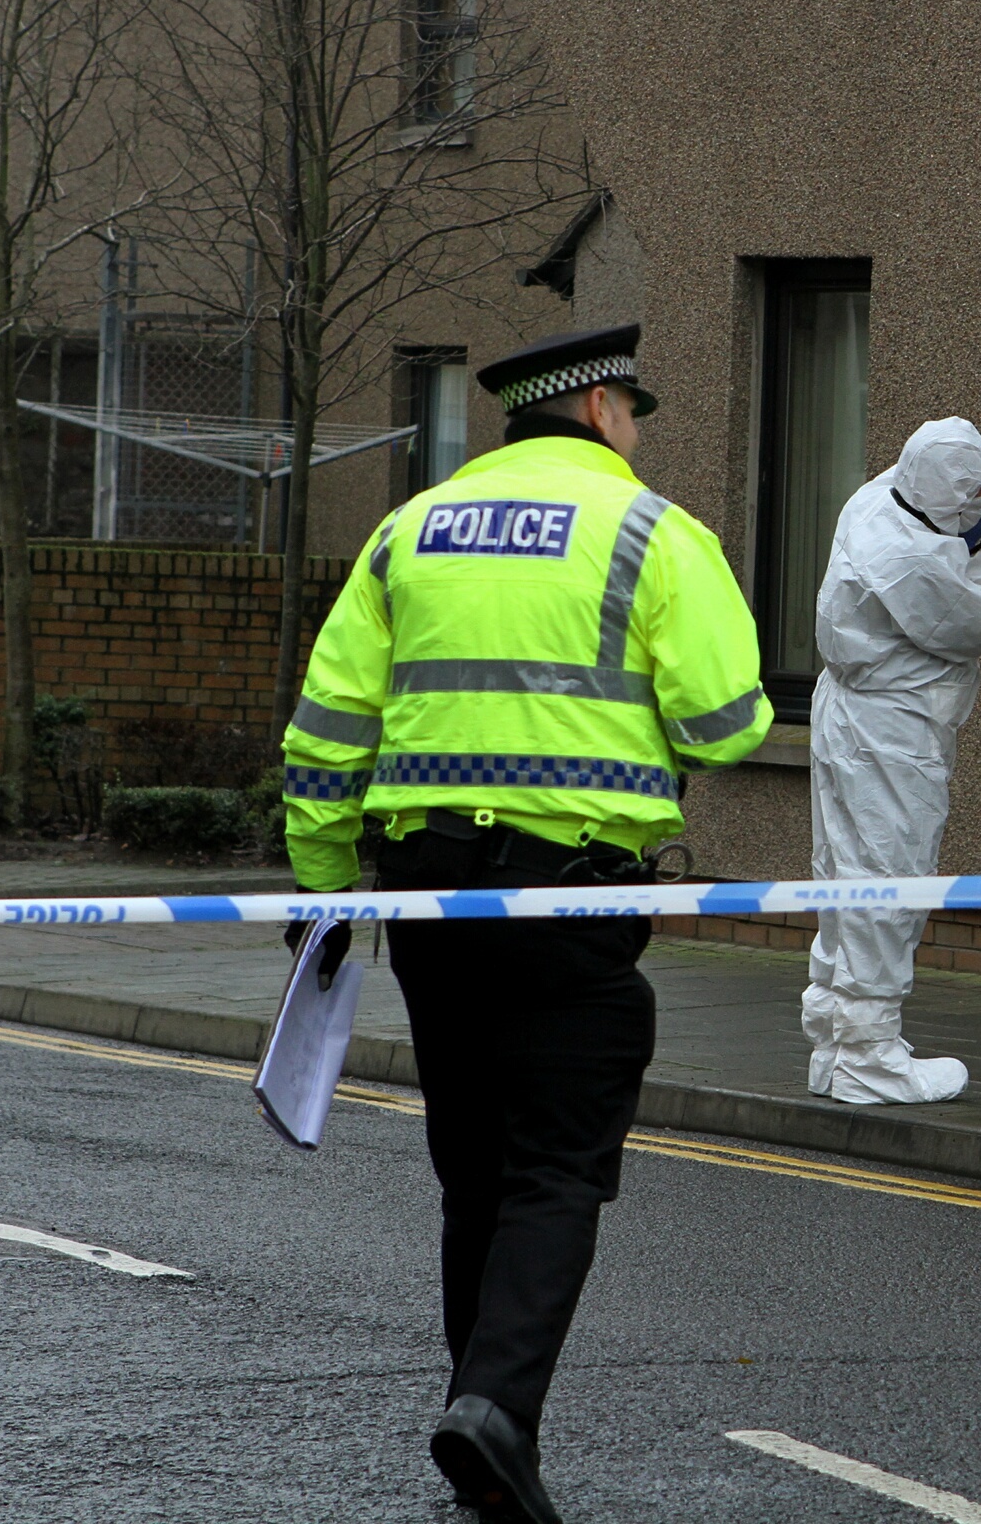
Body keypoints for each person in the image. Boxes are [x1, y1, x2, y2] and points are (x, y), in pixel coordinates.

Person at [280, 324, 770, 1524]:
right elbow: (727, 725)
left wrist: (326, 890)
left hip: (427, 895)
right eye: (635, 411)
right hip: (570, 897)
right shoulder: (655, 532)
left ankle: (480, 1421)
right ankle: (493, 1410)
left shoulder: (410, 531)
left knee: (477, 1172)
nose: (638, 431)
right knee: (557, 1167)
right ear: (601, 406)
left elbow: (327, 730)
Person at [802, 417, 981, 1105]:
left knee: (843, 881)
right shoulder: (917, 561)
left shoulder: (876, 498)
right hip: (891, 729)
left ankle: (835, 1044)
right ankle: (870, 1058)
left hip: (847, 715)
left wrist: (957, 532)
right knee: (887, 885)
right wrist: (977, 551)